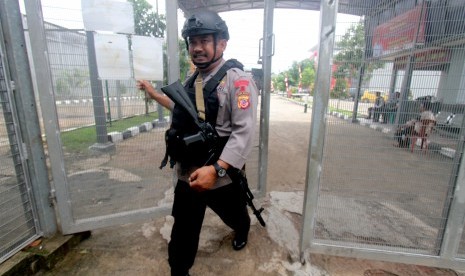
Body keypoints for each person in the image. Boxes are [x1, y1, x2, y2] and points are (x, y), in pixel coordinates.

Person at [137, 10, 258, 276]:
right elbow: (183, 109)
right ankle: (179, 270)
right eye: (192, 42)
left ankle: (243, 227)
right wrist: (153, 93)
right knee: (183, 228)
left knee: (233, 214)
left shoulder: (238, 82)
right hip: (189, 171)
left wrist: (216, 170)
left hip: (221, 173)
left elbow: (244, 132)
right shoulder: (194, 79)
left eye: (204, 40)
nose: (197, 48)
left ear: (222, 43)